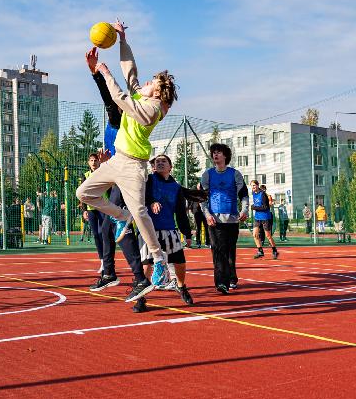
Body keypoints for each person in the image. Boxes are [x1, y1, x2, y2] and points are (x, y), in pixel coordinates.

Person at [75, 20, 178, 300]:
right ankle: (122, 216)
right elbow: (130, 68)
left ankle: (159, 263)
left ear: (157, 92)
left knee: (142, 213)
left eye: (151, 83)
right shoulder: (142, 94)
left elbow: (120, 98)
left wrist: (104, 71)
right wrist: (121, 39)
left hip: (133, 166)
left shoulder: (152, 108)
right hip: (116, 161)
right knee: (83, 192)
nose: (144, 83)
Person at [83, 44, 161, 311]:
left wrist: (99, 73)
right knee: (108, 228)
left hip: (131, 171)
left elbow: (111, 96)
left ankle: (138, 281)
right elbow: (117, 89)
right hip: (116, 168)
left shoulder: (128, 114)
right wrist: (97, 70)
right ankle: (113, 273)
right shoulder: (113, 123)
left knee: (120, 230)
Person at [141, 154, 195, 305]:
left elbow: (181, 212)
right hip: (149, 230)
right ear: (153, 167)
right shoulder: (149, 180)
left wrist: (187, 233)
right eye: (157, 161)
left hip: (170, 230)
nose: (160, 163)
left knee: (180, 263)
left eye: (163, 161)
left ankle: (181, 287)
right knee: (146, 264)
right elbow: (141, 196)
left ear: (170, 167)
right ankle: (141, 297)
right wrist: (151, 202)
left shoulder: (176, 188)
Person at [201, 142, 249, 294]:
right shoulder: (207, 175)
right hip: (214, 220)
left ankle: (232, 278)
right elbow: (202, 198)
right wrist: (207, 215)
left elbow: (243, 194)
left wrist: (244, 210)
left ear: (226, 155)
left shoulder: (235, 174)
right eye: (214, 152)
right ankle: (221, 283)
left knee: (229, 250)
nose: (215, 155)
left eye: (219, 152)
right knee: (218, 250)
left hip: (232, 220)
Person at [249, 179, 278, 260]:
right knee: (255, 234)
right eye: (251, 186)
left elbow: (266, 207)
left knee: (268, 236)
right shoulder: (253, 193)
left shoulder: (263, 194)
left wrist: (254, 207)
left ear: (257, 185)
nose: (253, 187)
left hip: (265, 217)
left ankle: (274, 250)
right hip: (257, 217)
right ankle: (260, 251)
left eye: (254, 185)